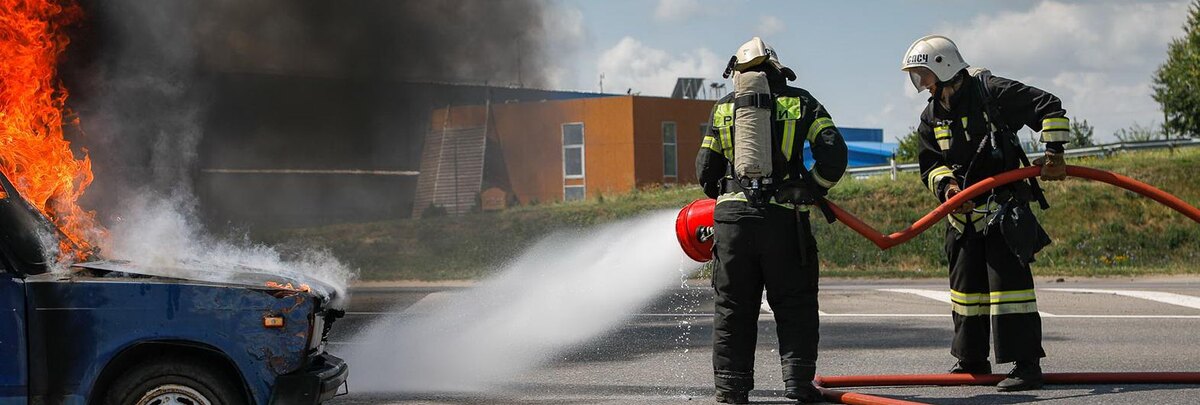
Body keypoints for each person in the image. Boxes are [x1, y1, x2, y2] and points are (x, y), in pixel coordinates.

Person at [901, 35, 1070, 392]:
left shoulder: (991, 92)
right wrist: (948, 190)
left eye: (925, 77)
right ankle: (971, 359)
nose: (924, 87)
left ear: (944, 69)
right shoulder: (931, 116)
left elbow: (1049, 106)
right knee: (966, 291)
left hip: (1002, 208)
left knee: (1011, 291)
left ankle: (1026, 366)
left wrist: (1054, 151)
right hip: (961, 217)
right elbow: (930, 164)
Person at [696, 37, 848, 404]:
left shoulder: (723, 108)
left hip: (733, 224)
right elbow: (835, 154)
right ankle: (797, 384)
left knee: (733, 307)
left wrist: (731, 200)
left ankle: (731, 391)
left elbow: (704, 171)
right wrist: (810, 188)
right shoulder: (802, 101)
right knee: (794, 303)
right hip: (785, 221)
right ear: (777, 70)